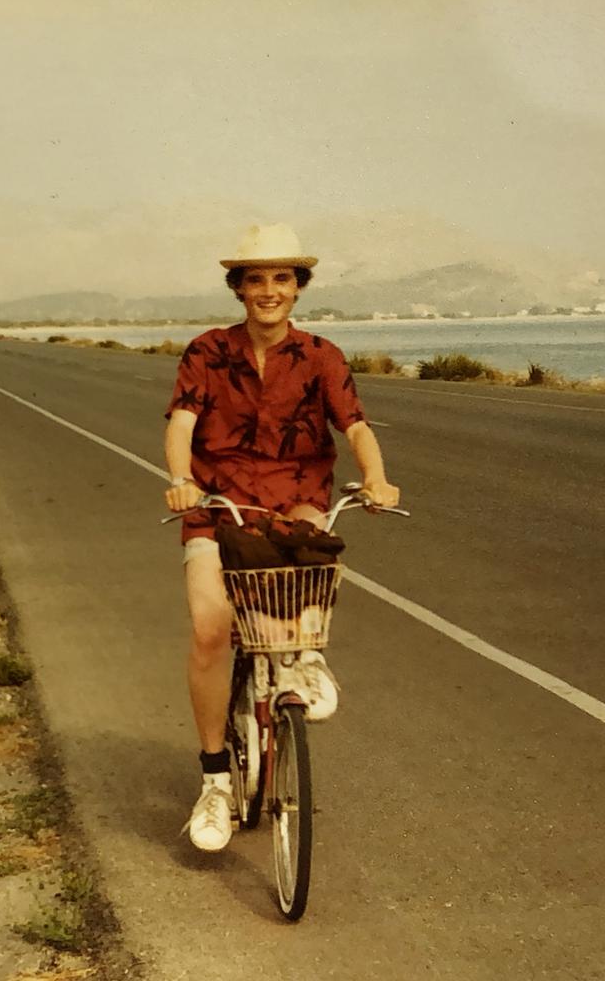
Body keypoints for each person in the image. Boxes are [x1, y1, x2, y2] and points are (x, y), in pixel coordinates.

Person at [163, 223, 401, 852]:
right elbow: (182, 421)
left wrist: (377, 479)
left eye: (282, 278)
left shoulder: (321, 355)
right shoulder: (207, 351)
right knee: (211, 628)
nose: (269, 290)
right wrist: (182, 480)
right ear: (239, 288)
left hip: (295, 500)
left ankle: (306, 661)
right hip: (219, 505)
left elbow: (355, 426)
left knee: (311, 552)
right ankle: (215, 782)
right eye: (256, 279)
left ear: (298, 288)